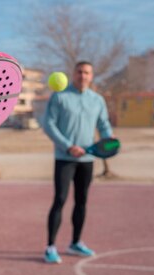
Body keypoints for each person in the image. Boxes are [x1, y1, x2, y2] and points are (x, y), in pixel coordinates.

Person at [41, 61, 113, 264]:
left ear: (92, 76)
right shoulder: (59, 96)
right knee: (60, 200)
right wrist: (67, 145)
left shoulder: (97, 100)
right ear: (73, 74)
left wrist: (109, 141)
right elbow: (49, 124)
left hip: (87, 159)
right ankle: (50, 247)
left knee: (82, 202)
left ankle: (75, 243)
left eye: (87, 72)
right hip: (65, 158)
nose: (83, 76)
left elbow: (104, 124)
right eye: (79, 72)